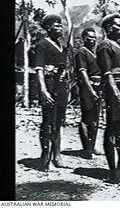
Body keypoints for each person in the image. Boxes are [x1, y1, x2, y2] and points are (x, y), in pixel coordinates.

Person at [96, 13, 120, 184]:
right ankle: (113, 171)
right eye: (119, 25)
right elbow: (107, 74)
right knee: (113, 129)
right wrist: (117, 95)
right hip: (115, 93)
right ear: (110, 28)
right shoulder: (105, 46)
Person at [34, 14, 69, 171]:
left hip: (61, 87)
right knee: (48, 121)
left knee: (58, 122)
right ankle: (45, 157)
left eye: (61, 25)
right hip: (49, 85)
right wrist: (44, 91)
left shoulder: (62, 46)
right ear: (48, 28)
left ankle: (57, 154)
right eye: (57, 26)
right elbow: (39, 69)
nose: (61, 28)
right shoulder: (42, 45)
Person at [75, 28, 102, 159]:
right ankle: (87, 148)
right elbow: (82, 71)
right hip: (87, 87)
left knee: (95, 118)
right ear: (84, 38)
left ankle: (92, 144)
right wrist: (90, 88)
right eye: (90, 38)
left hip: (98, 86)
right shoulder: (82, 52)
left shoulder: (95, 53)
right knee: (87, 116)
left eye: (94, 38)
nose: (93, 40)